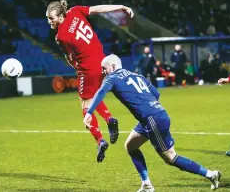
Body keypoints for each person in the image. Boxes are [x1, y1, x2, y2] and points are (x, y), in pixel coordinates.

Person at [84, 54, 221, 192]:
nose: (103, 72)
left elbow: (101, 92)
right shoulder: (137, 75)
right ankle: (146, 185)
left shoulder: (111, 78)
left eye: (104, 68)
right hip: (153, 116)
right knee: (130, 146)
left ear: (113, 66)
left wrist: (89, 112)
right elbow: (155, 94)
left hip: (152, 119)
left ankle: (211, 174)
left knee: (171, 157)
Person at [46, 0, 134, 162]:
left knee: (85, 105)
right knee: (93, 96)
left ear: (60, 16)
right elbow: (98, 8)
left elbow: (70, 57)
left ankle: (100, 140)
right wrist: (120, 6)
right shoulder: (75, 11)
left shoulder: (61, 36)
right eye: (48, 18)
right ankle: (110, 119)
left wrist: (76, 68)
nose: (49, 21)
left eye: (51, 18)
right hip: (102, 60)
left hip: (88, 69)